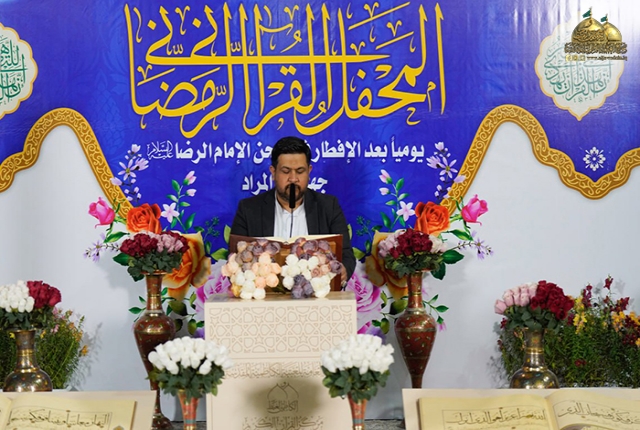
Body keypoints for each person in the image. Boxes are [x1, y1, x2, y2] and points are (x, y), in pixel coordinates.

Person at [231, 136, 356, 285]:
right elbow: (235, 259)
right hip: (264, 295)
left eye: (300, 171)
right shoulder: (248, 209)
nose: (293, 178)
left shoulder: (329, 207)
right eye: (286, 171)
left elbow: (346, 256)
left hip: (316, 295)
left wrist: (343, 270)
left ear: (309, 171)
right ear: (273, 172)